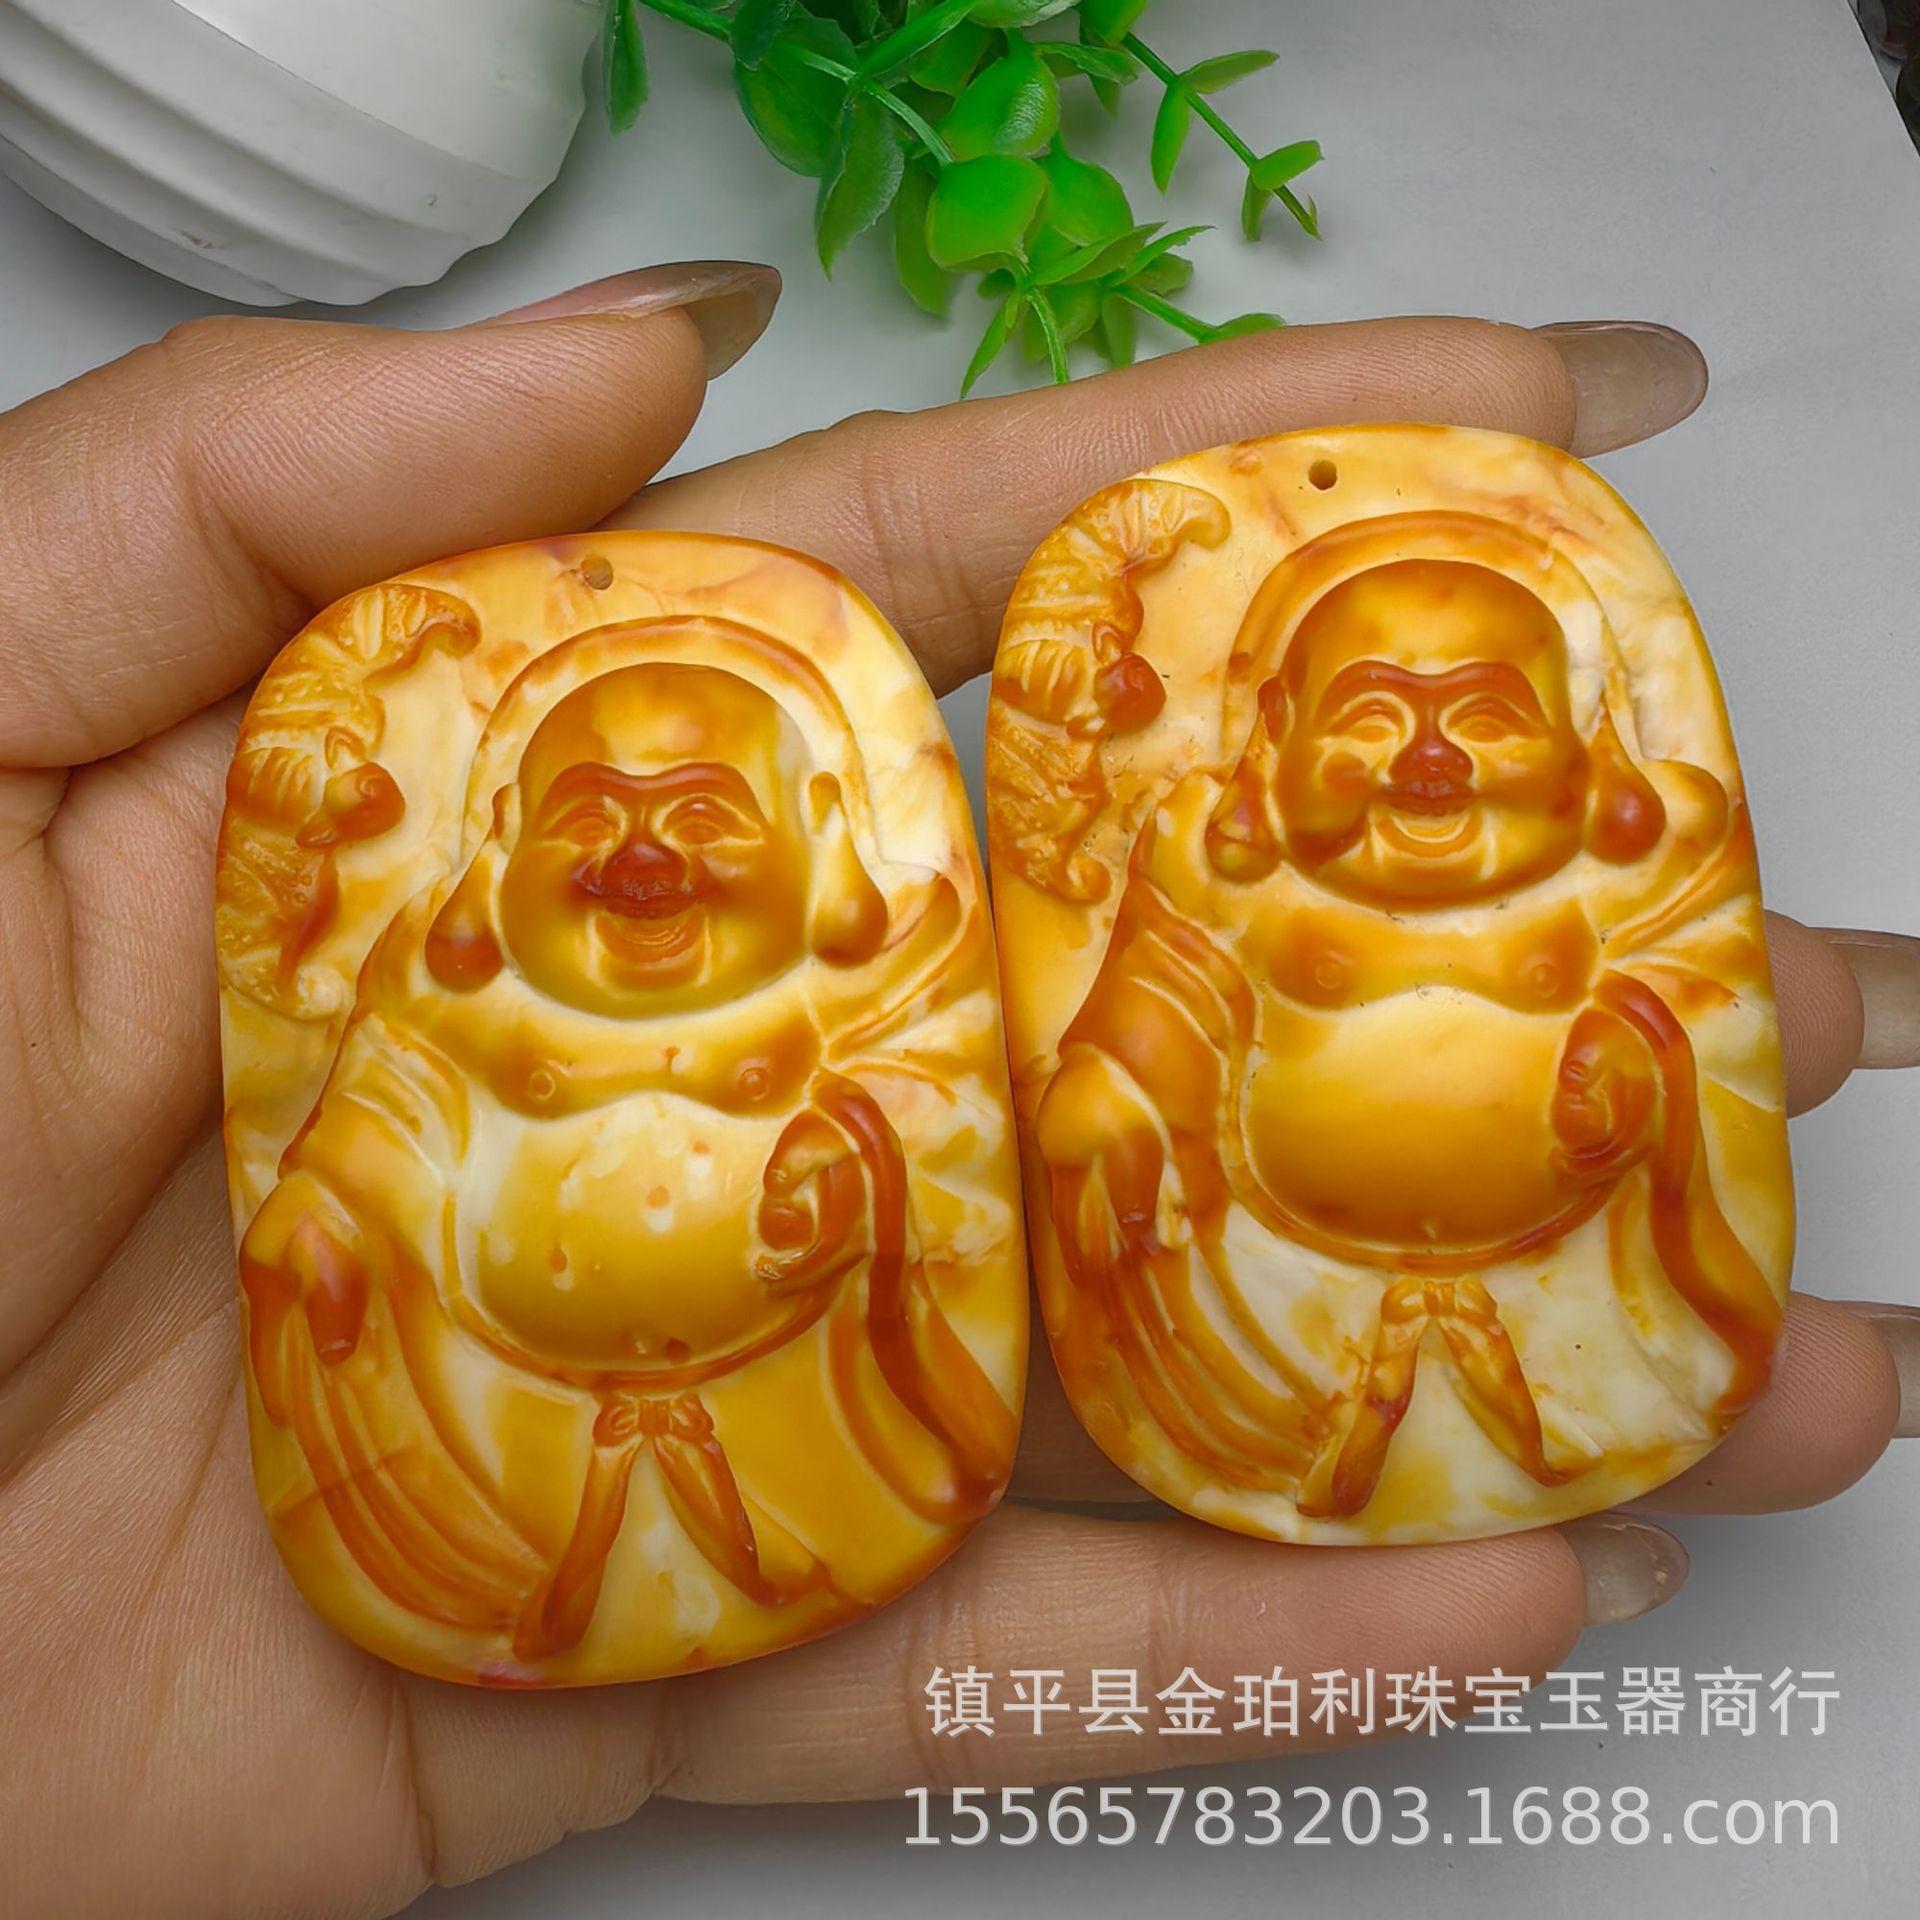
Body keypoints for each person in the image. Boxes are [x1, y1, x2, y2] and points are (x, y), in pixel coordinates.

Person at [0, 261, 1912, 1918]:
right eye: (591, 822)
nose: (643, 859)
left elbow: (948, 1118)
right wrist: (338, 1234)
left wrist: (1644, 1059)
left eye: (1483, 719)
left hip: (1495, 1281)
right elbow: (371, 1148)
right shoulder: (454, 1012)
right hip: (559, 1421)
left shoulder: (1596, 893)